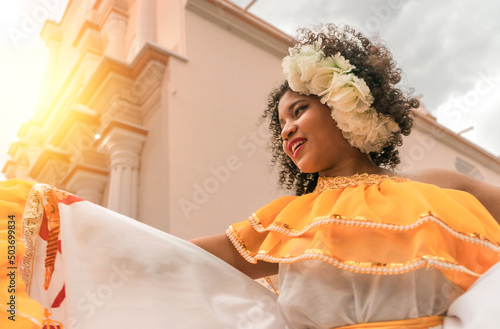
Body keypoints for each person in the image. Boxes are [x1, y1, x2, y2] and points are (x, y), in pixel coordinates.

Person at [191, 23, 500, 328]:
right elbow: (184, 257)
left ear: (342, 103)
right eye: (281, 124)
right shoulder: (290, 221)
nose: (286, 130)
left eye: (298, 111)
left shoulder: (437, 186)